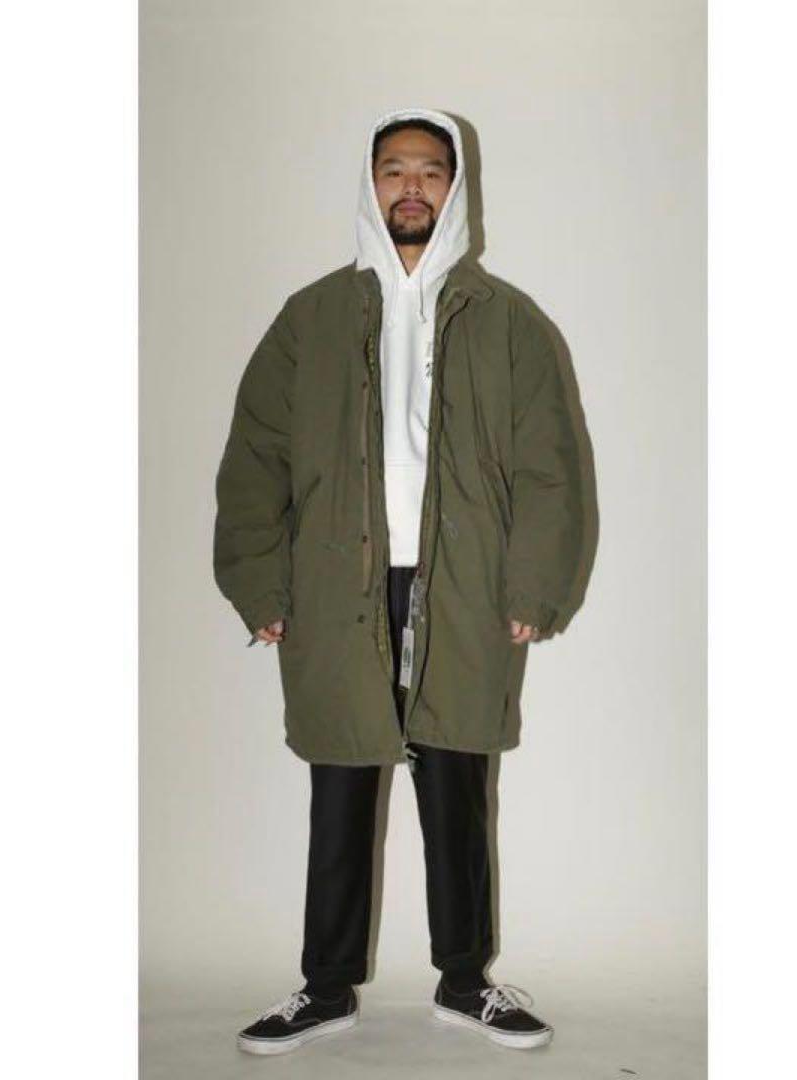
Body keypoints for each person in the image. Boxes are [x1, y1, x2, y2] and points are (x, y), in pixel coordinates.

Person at [214, 106, 596, 1055]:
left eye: (430, 170)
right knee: (342, 782)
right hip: (338, 583)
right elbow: (255, 460)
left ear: (455, 189)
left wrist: (532, 588)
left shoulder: (508, 322)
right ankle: (325, 986)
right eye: (394, 169)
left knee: (457, 782)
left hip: (463, 584)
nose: (412, 185)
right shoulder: (310, 319)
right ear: (370, 184)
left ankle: (466, 982)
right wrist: (262, 588)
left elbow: (552, 467)